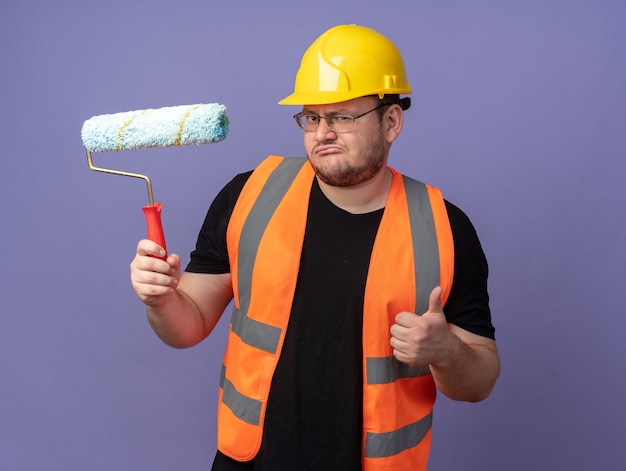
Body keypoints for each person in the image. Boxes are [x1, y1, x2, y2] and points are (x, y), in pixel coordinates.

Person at [130, 24, 499, 471]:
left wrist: (444, 350)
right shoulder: (249, 196)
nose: (323, 132)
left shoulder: (444, 227)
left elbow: (479, 381)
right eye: (311, 117)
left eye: (343, 116)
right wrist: (160, 299)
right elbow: (185, 328)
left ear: (392, 122)